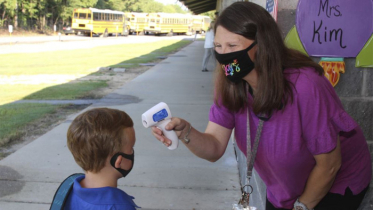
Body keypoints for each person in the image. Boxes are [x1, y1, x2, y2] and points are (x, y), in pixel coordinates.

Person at [151, 2, 371, 210]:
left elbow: (329, 165)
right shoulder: (230, 84)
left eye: (232, 46)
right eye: (218, 46)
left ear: (263, 45)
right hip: (285, 187)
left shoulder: (306, 86)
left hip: (335, 184)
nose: (224, 56)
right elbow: (214, 148)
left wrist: (301, 206)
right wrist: (186, 131)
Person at [65, 108, 139, 210]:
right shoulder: (119, 206)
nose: (132, 152)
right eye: (131, 148)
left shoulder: (67, 190)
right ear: (119, 161)